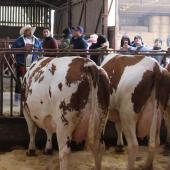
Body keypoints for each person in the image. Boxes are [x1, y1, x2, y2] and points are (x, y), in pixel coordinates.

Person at [12, 24, 42, 106]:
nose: (30, 32)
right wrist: (22, 49)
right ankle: (17, 100)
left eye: (30, 30)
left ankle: (30, 98)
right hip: (21, 63)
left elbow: (41, 50)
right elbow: (12, 50)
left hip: (33, 64)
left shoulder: (36, 40)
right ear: (24, 32)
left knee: (32, 80)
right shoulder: (19, 40)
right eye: (28, 30)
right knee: (19, 81)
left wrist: (36, 50)